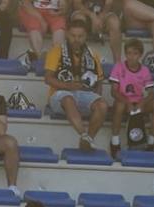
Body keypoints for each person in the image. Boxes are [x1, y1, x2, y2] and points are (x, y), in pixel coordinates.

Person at [44, 17, 108, 153]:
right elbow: (48, 79)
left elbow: (99, 80)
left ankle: (88, 139)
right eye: (73, 35)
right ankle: (83, 134)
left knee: (102, 105)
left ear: (86, 36)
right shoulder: (57, 51)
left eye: (80, 36)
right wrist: (68, 87)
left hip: (85, 94)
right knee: (68, 98)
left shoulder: (93, 54)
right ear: (67, 34)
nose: (76, 39)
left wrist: (96, 98)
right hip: (60, 95)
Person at [108, 38, 154, 156]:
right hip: (123, 101)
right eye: (128, 53)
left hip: (138, 103)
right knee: (120, 105)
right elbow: (113, 91)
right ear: (125, 54)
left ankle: (151, 143)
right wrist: (127, 102)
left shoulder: (144, 70)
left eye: (135, 53)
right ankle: (115, 142)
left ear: (140, 55)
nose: (131, 56)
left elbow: (152, 93)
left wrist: (142, 103)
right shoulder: (118, 67)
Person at [19, 0, 67, 65]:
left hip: (52, 12)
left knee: (60, 26)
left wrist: (62, 8)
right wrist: (41, 20)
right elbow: (26, 4)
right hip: (32, 11)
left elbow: (65, 6)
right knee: (34, 25)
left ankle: (56, 57)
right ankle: (39, 55)